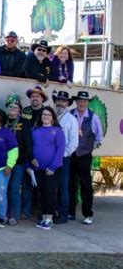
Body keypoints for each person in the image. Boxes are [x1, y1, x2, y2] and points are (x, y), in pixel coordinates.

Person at [69, 91, 103, 225]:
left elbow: (99, 137)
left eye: (84, 101)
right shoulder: (70, 114)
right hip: (71, 154)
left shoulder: (93, 117)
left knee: (85, 185)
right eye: (80, 101)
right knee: (70, 184)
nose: (82, 103)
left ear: (87, 103)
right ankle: (70, 211)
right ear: (76, 102)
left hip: (84, 155)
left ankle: (88, 214)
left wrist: (88, 148)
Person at [31, 107, 65, 230]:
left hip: (52, 169)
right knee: (42, 193)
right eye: (44, 114)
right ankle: (44, 217)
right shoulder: (34, 130)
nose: (46, 117)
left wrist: (53, 166)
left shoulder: (57, 131)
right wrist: (31, 160)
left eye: (48, 115)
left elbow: (60, 149)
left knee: (50, 193)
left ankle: (49, 219)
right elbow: (30, 146)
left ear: (53, 117)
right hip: (37, 168)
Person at [21, 85, 48, 219]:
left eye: (37, 96)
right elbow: (26, 132)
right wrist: (30, 155)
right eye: (32, 96)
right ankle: (26, 212)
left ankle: (40, 212)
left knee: (42, 185)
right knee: (26, 184)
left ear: (42, 98)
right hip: (28, 151)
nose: (35, 98)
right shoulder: (26, 111)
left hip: (42, 152)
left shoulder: (47, 112)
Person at [52, 91, 79, 224]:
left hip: (63, 158)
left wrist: (62, 154)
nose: (60, 103)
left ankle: (63, 214)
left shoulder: (72, 119)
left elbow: (74, 142)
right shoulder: (50, 116)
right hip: (49, 158)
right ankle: (51, 212)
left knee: (63, 186)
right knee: (50, 186)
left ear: (68, 103)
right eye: (58, 100)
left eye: (63, 101)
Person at [4, 95, 26, 226]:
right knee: (3, 188)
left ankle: (14, 215)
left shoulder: (24, 123)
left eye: (16, 107)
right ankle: (4, 214)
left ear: (19, 110)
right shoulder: (2, 121)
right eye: (11, 106)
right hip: (2, 161)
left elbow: (28, 142)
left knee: (14, 187)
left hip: (18, 162)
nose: (13, 109)